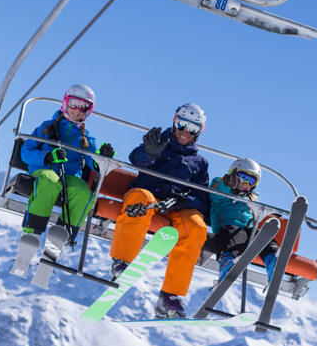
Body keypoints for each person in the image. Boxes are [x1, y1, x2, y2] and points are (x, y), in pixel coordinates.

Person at [109, 103, 210, 318]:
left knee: (196, 226)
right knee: (140, 199)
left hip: (175, 207)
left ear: (199, 132)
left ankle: (170, 297)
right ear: (174, 121)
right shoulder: (158, 142)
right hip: (149, 195)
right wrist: (150, 154)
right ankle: (122, 263)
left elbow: (202, 198)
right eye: (182, 125)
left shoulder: (200, 163)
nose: (185, 132)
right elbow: (136, 160)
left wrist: (183, 201)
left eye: (192, 129)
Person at [17, 84, 114, 243]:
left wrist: (103, 158)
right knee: (50, 182)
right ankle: (31, 233)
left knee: (83, 193)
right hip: (43, 172)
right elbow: (26, 152)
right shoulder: (48, 127)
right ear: (65, 103)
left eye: (83, 107)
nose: (77, 110)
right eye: (73, 103)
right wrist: (48, 157)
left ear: (88, 111)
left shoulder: (86, 139)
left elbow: (93, 163)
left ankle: (60, 239)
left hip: (68, 177)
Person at [209, 157, 279, 286]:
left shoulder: (252, 197)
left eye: (251, 180)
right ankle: (226, 262)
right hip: (228, 227)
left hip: (249, 230)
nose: (246, 183)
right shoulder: (222, 186)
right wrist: (227, 183)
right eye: (243, 177)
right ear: (233, 174)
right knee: (234, 237)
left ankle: (272, 262)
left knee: (262, 237)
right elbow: (215, 194)